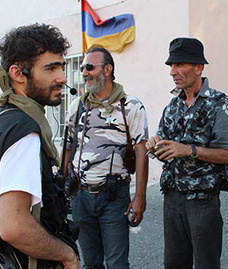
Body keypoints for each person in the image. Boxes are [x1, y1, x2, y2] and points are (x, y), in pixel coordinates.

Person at [0, 23, 80, 268]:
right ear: (17, 73)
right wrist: (66, 254)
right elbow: (14, 226)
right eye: (51, 68)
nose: (62, 78)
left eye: (62, 66)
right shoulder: (22, 131)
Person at [145, 37, 228, 269]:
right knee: (174, 264)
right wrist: (155, 145)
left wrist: (188, 150)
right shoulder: (172, 105)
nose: (173, 72)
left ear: (199, 67)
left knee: (206, 263)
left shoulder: (220, 103)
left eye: (179, 65)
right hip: (172, 198)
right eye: (171, 66)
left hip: (202, 200)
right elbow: (165, 147)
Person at [64, 46, 149, 268]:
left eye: (90, 67)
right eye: (82, 68)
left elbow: (141, 150)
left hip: (114, 197)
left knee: (116, 263)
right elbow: (67, 146)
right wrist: (63, 183)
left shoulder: (130, 106)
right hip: (80, 197)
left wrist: (140, 197)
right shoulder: (78, 105)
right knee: (90, 263)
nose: (84, 73)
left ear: (108, 69)